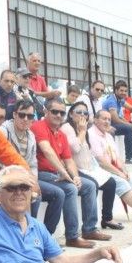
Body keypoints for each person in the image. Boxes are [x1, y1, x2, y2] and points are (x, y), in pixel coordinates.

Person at [31, 98, 111, 248]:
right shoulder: (39, 126)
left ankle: (89, 229)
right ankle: (72, 236)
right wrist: (67, 176)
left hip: (56, 174)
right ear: (46, 112)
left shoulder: (60, 134)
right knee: (70, 188)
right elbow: (47, 151)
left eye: (62, 112)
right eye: (54, 112)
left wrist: (74, 176)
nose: (58, 115)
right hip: (41, 173)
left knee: (88, 185)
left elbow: (69, 160)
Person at [0, 99, 62, 233]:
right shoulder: (4, 131)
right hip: (7, 176)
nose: (26, 119)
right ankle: (27, 233)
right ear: (15, 115)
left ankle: (46, 236)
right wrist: (28, 181)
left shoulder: (31, 136)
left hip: (26, 177)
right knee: (33, 195)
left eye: (30, 116)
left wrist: (33, 180)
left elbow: (33, 164)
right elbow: (0, 161)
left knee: (58, 194)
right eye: (22, 115)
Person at [60, 103, 122, 230]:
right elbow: (75, 148)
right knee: (92, 185)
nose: (83, 115)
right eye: (79, 112)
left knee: (111, 183)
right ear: (71, 114)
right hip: (75, 168)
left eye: (85, 113)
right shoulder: (67, 128)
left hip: (88, 168)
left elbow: (87, 152)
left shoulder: (83, 128)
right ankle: (89, 227)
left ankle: (107, 218)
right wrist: (82, 131)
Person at [102, 80, 132, 164]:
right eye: (121, 90)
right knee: (129, 128)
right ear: (116, 90)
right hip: (108, 125)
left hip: (115, 124)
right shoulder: (111, 101)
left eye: (125, 91)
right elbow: (115, 119)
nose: (124, 93)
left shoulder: (120, 100)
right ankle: (129, 157)